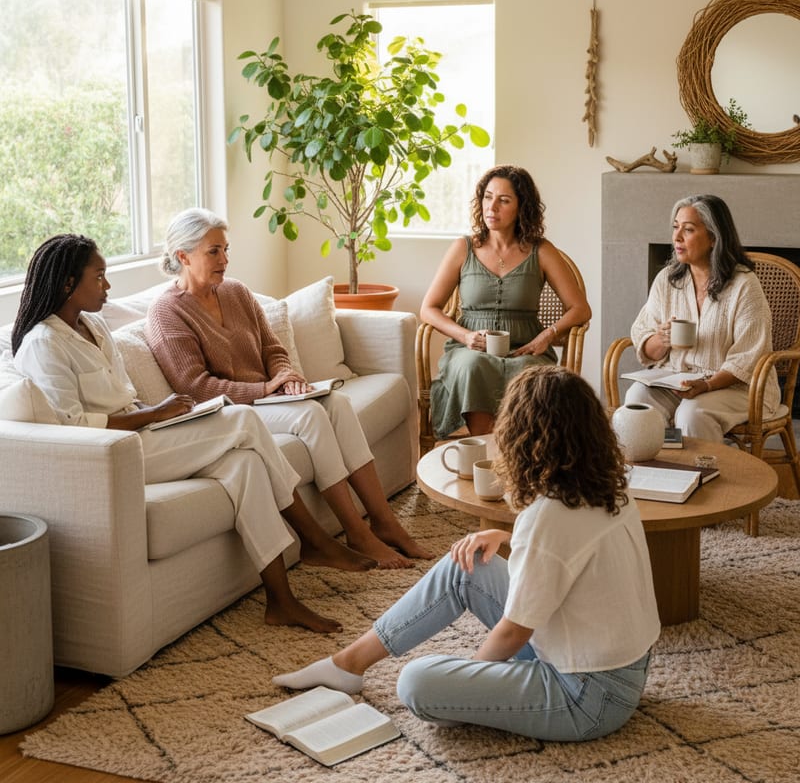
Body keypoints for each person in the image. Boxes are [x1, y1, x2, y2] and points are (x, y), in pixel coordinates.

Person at [11, 234, 383, 635]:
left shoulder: (94, 327)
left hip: (145, 430)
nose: (108, 286)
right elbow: (75, 426)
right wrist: (153, 415)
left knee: (245, 464)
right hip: (116, 455)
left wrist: (162, 415)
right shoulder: (43, 344)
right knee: (244, 420)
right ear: (67, 284)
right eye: (99, 277)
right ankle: (313, 538)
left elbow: (126, 398)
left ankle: (281, 600)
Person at [271, 366, 661, 742]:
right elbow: (574, 546)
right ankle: (347, 665)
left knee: (417, 681)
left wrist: (469, 684)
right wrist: (504, 535)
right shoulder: (609, 483)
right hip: (617, 670)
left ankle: (457, 695)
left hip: (586, 696)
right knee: (467, 565)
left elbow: (514, 630)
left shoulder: (549, 516)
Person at [145, 207, 433, 570]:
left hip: (269, 398)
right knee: (312, 415)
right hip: (231, 413)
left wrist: (289, 377)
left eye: (226, 249)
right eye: (213, 252)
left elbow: (273, 349)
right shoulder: (166, 313)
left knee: (338, 404)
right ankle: (355, 534)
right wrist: (267, 388)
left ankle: (383, 522)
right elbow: (197, 388)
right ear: (183, 256)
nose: (225, 259)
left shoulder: (235, 292)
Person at [420, 165, 591, 439]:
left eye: (504, 200)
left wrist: (547, 336)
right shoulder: (463, 249)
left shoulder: (542, 251)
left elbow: (580, 308)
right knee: (472, 366)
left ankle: (518, 456)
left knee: (530, 374)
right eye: (488, 197)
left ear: (522, 207)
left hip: (526, 349)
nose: (492, 207)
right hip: (470, 350)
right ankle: (489, 453)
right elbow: (428, 309)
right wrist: (465, 337)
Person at [625, 194, 780, 442]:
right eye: (676, 227)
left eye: (688, 230)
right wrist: (661, 339)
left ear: (713, 238)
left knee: (692, 413)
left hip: (737, 387)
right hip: (676, 379)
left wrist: (706, 385)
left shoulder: (743, 285)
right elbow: (647, 346)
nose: (676, 237)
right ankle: (664, 468)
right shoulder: (667, 279)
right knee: (637, 399)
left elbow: (748, 357)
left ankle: (706, 472)